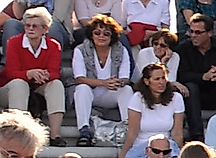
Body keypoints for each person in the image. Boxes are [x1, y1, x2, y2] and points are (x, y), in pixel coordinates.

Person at [68, 15, 135, 147]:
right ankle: (84, 130)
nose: (101, 36)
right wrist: (103, 83)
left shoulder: (121, 50)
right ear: (91, 34)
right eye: (97, 33)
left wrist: (116, 83)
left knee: (127, 90)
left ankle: (128, 129)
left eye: (106, 33)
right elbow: (79, 78)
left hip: (111, 92)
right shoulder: (80, 50)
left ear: (112, 36)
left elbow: (125, 78)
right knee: (82, 88)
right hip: (91, 93)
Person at [2, 8, 64, 137]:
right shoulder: (14, 42)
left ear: (45, 29)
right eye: (27, 25)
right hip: (10, 89)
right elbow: (10, 72)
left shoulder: (53, 45)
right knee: (19, 84)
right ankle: (19, 133)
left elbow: (55, 72)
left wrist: (44, 75)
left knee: (56, 84)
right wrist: (29, 74)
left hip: (38, 85)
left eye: (35, 26)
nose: (30, 29)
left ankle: (55, 135)